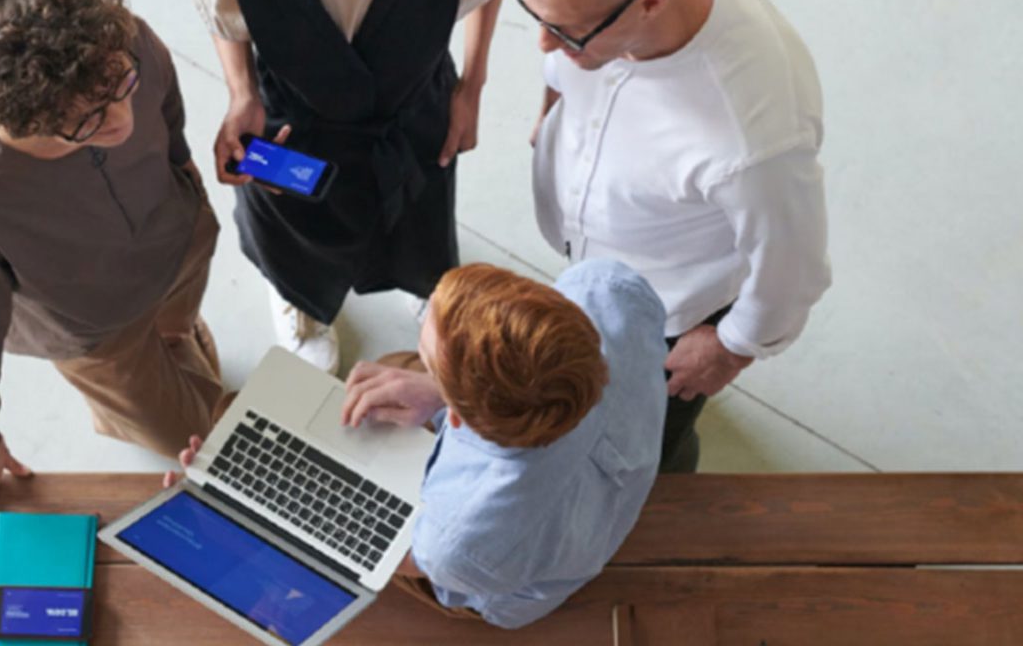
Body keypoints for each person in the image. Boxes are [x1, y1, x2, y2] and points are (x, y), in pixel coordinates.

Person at [188, 0, 515, 372]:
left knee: (421, 218)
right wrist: (241, 92)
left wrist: (473, 85)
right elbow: (227, 14)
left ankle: (428, 291)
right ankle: (300, 300)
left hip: (412, 108)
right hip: (298, 121)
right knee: (294, 226)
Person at [514, 0, 832, 473]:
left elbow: (794, 269)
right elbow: (561, 50)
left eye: (565, 31)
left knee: (638, 448)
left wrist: (731, 349)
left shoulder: (754, 137)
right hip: (600, 258)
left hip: (666, 313)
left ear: (649, 4)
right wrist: (552, 107)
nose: (543, 46)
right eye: (536, 13)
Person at [165, 259, 667, 628]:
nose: (421, 346)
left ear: (459, 416)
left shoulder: (458, 542)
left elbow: (401, 554)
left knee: (237, 413)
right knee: (373, 383)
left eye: (432, 360)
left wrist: (246, 509)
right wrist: (436, 386)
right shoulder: (606, 288)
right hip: (602, 495)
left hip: (504, 583)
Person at [0, 0, 223, 537]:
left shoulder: (118, 46)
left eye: (119, 86)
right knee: (187, 436)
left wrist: (183, 168)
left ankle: (178, 337)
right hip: (99, 332)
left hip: (177, 236)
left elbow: (163, 103)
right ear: (19, 120)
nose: (120, 121)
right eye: (84, 122)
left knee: (177, 327)